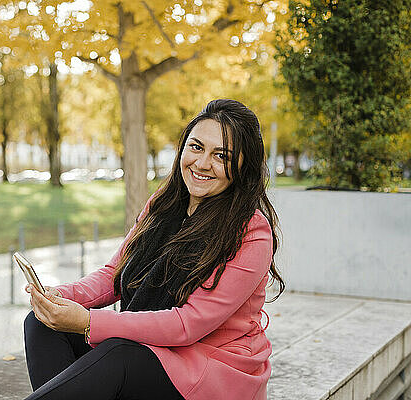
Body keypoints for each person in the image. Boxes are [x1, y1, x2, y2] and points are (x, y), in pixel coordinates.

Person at [23, 99, 285, 400]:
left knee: (120, 352)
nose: (202, 163)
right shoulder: (165, 203)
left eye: (221, 155)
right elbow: (115, 273)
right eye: (196, 147)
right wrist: (60, 297)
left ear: (243, 166)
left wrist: (88, 321)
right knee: (42, 324)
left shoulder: (250, 231)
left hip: (214, 370)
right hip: (156, 352)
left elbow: (187, 324)